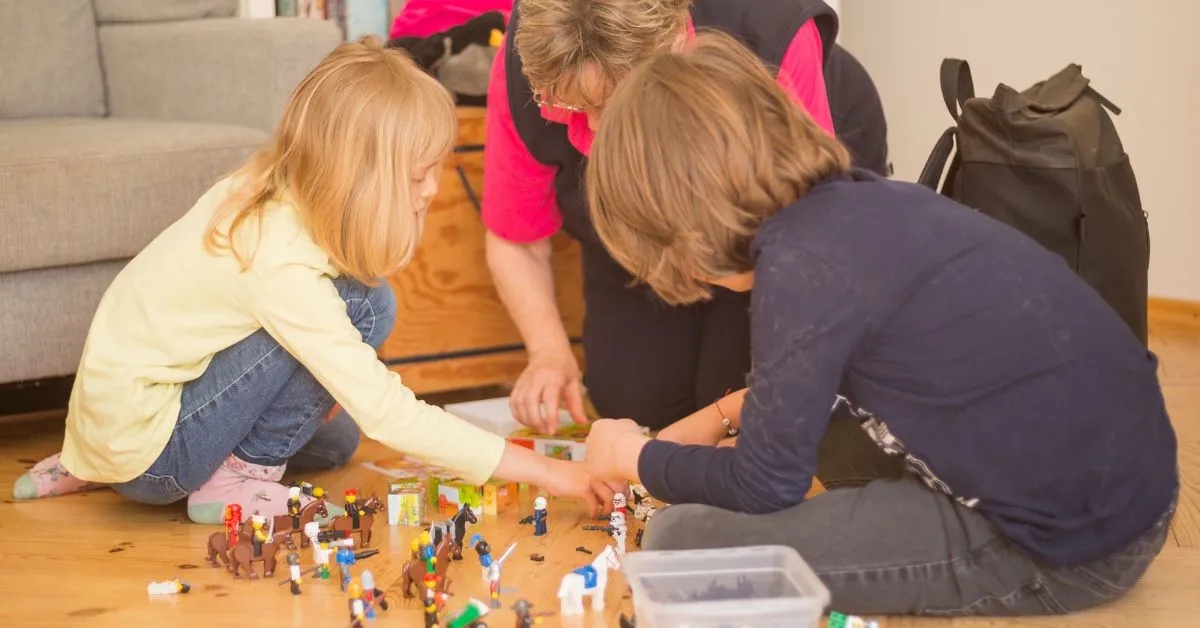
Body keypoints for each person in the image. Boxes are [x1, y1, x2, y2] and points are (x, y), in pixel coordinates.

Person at [580, 33, 1178, 615]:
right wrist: (717, 418)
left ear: (677, 226)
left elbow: (765, 485)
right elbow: (825, 378)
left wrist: (633, 457)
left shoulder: (797, 271)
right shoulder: (855, 204)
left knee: (682, 540)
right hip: (1130, 486)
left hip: (1069, 546)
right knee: (803, 450)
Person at [11, 37, 617, 523]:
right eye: (418, 175)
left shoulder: (266, 184)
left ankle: (90, 462)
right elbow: (391, 414)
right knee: (365, 302)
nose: (431, 191)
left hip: (115, 431)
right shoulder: (281, 260)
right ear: (362, 175)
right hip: (157, 461)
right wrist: (555, 473)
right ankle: (230, 487)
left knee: (337, 444)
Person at [483, 0, 888, 434]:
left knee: (737, 401)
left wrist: (755, 415)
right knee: (632, 405)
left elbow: (804, 256)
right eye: (577, 105)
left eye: (614, 102)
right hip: (633, 246)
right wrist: (548, 351)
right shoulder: (528, 60)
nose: (598, 128)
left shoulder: (772, 37)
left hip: (768, 232)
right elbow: (515, 237)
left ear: (674, 39)